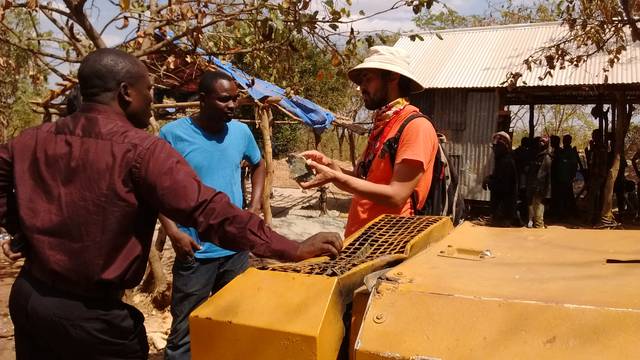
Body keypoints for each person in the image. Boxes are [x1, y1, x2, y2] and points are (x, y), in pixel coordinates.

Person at [0, 48, 342, 360]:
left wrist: (17, 228)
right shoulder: (142, 150)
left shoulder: (30, 141)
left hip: (30, 299)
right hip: (93, 319)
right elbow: (208, 210)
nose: (153, 98)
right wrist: (291, 247)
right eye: (148, 89)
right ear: (125, 93)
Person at [158, 70, 266, 360]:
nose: (232, 105)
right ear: (203, 100)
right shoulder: (172, 135)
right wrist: (173, 232)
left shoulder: (241, 132)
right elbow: (154, 187)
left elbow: (259, 165)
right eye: (223, 100)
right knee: (184, 333)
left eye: (234, 99)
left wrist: (253, 207)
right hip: (195, 251)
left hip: (235, 249)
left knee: (231, 320)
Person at [297, 46, 438, 237]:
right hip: (360, 240)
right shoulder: (384, 123)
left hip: (388, 246)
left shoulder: (416, 127)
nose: (361, 87)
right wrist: (330, 166)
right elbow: (361, 181)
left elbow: (396, 196)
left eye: (368, 78)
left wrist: (335, 177)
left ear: (393, 77)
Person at [482, 131, 518, 227]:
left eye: (496, 147)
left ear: (503, 147)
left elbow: (503, 186)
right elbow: (497, 177)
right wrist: (488, 178)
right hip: (499, 212)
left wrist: (489, 181)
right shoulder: (501, 161)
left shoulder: (507, 162)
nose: (494, 150)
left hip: (503, 212)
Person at [526, 136, 552, 228]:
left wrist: (538, 187)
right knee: (533, 206)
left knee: (538, 207)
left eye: (544, 141)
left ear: (547, 143)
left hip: (539, 187)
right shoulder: (538, 154)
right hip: (534, 185)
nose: (541, 143)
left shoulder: (546, 157)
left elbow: (544, 175)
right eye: (540, 141)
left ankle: (539, 227)